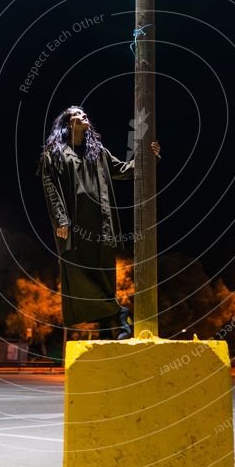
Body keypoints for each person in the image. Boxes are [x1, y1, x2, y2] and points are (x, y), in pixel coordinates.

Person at [39, 106, 160, 340]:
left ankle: (112, 330)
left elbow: (125, 170)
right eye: (77, 113)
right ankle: (119, 313)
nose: (83, 115)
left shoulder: (99, 152)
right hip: (74, 227)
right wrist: (61, 219)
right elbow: (50, 186)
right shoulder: (53, 154)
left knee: (104, 277)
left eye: (84, 113)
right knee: (78, 275)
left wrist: (149, 157)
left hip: (102, 224)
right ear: (67, 123)